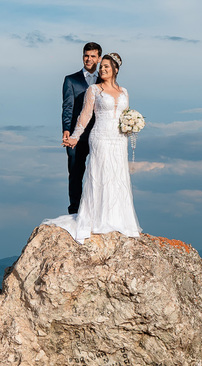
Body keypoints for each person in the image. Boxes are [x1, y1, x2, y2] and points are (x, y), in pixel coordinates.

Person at [45, 52, 141, 243]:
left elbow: (125, 114)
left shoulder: (124, 92)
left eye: (106, 67)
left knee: (118, 175)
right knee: (100, 174)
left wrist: (132, 125)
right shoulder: (94, 90)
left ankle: (118, 219)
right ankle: (97, 219)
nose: (103, 69)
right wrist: (74, 137)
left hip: (119, 139)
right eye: (102, 66)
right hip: (100, 137)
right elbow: (85, 115)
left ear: (115, 69)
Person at [62, 42, 101, 213]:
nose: (89, 59)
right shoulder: (71, 80)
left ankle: (96, 209)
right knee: (76, 173)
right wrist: (66, 130)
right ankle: (75, 210)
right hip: (75, 136)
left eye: (93, 56)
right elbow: (67, 107)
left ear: (99, 58)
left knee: (98, 173)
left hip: (99, 134)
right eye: (86, 55)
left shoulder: (105, 80)